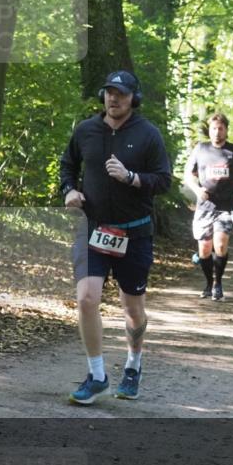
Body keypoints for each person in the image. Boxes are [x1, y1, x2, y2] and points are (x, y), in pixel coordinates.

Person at [59, 71, 172, 404]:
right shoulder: (86, 130)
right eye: (109, 92)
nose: (113, 98)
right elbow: (67, 165)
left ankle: (133, 364)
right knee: (86, 298)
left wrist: (131, 177)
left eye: (121, 94)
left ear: (134, 98)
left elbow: (164, 180)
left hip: (134, 232)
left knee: (132, 308)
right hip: (92, 228)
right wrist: (69, 190)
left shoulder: (148, 134)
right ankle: (97, 376)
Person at [185, 113, 233, 301]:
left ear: (226, 130)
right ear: (209, 130)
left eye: (221, 128)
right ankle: (208, 283)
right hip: (205, 206)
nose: (217, 132)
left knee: (220, 244)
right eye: (214, 128)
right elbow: (188, 174)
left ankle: (218, 284)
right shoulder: (201, 149)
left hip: (227, 206)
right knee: (205, 249)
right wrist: (197, 190)